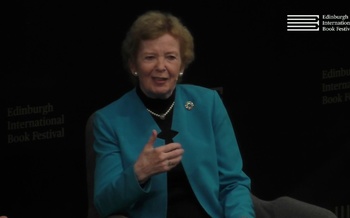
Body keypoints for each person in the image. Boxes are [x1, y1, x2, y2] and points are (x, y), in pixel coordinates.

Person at [92, 10, 255, 218]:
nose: (161, 67)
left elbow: (233, 183)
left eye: (170, 57)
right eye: (150, 57)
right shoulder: (109, 121)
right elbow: (103, 203)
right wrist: (139, 173)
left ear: (181, 65)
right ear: (134, 65)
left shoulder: (208, 103)